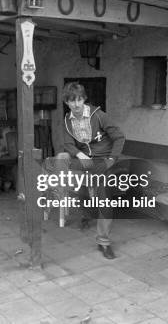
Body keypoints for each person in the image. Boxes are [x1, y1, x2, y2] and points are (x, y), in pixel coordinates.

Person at [62, 82, 125, 259]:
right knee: (67, 177)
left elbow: (119, 137)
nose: (75, 104)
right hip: (84, 161)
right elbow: (67, 144)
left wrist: (112, 159)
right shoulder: (67, 121)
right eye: (71, 100)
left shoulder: (98, 116)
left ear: (84, 99)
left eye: (79, 99)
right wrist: (78, 155)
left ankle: (103, 242)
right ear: (66, 102)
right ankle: (87, 210)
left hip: (104, 161)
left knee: (104, 197)